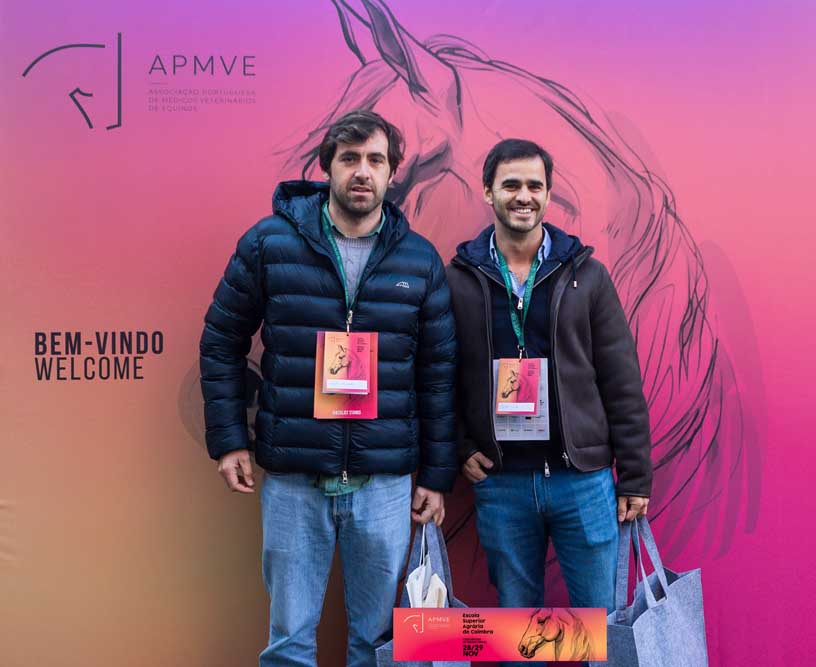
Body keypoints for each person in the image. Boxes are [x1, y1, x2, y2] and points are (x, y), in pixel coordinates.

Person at [199, 110, 456, 667]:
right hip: (295, 479)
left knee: (376, 643)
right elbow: (222, 340)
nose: (363, 171)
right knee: (289, 642)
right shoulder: (269, 243)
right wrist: (228, 439)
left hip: (384, 484)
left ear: (392, 173)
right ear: (327, 167)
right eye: (350, 159)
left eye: (376, 160)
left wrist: (437, 476)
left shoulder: (419, 260)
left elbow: (438, 373)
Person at [446, 138, 653, 619]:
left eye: (534, 186)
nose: (524, 196)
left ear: (548, 193)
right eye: (510, 185)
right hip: (502, 484)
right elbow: (440, 376)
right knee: (519, 627)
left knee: (599, 624)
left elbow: (621, 381)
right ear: (487, 191)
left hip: (582, 480)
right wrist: (460, 445)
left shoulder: (588, 276)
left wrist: (636, 476)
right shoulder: (458, 279)